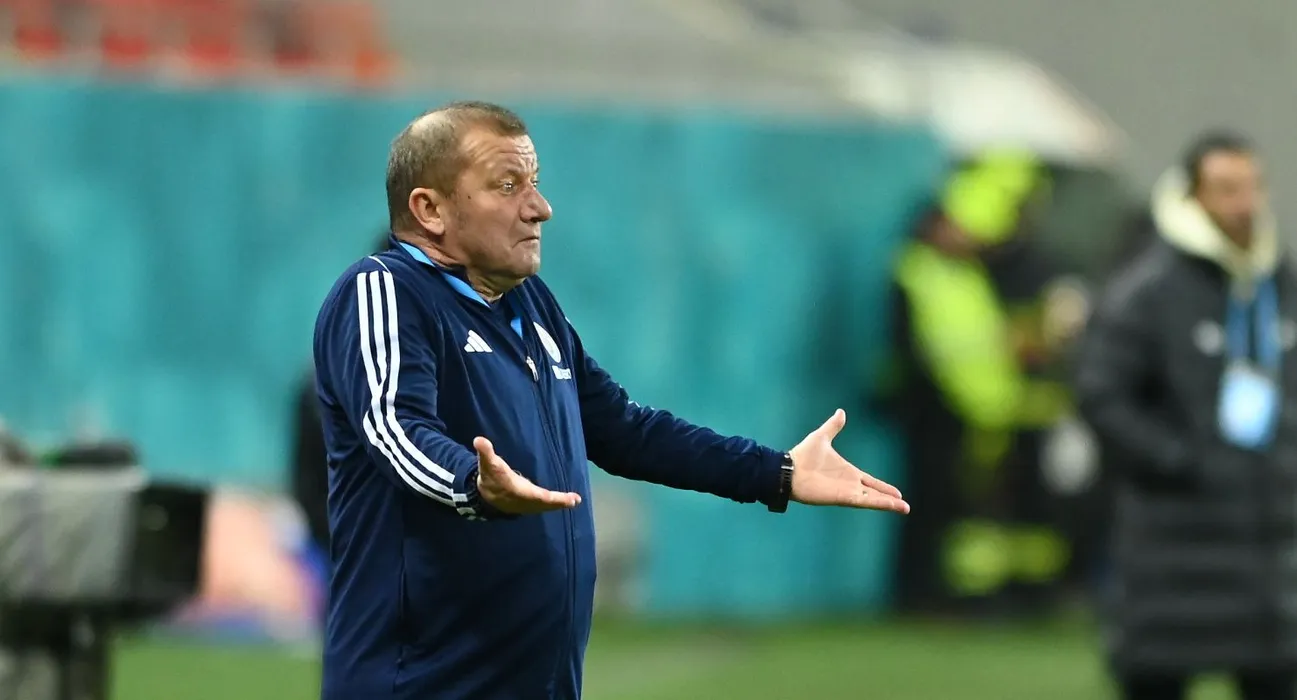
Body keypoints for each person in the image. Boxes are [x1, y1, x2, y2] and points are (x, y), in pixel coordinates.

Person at [311, 101, 910, 700]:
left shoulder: (531, 306)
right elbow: (395, 427)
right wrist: (474, 483)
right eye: (508, 185)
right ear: (430, 209)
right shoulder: (385, 289)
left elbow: (624, 431)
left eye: (534, 183)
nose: (539, 207)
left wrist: (775, 471)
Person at [1076, 131, 1297, 700]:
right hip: (1171, 545)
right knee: (1158, 678)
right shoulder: (1148, 290)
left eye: (1251, 187)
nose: (1244, 203)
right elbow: (1101, 395)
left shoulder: (1279, 281)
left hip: (1266, 549)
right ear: (1193, 197)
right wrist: (1178, 459)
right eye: (1226, 189)